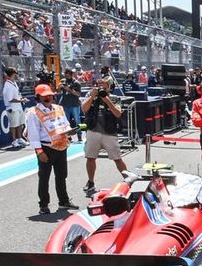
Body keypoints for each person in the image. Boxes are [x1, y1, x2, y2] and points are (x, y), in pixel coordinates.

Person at [27, 84, 76, 214]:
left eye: (50, 95)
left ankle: (63, 201)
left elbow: (65, 124)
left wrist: (69, 132)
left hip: (61, 146)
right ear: (38, 97)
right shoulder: (33, 113)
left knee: (62, 175)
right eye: (45, 96)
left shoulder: (59, 108)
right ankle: (43, 205)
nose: (48, 98)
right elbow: (33, 134)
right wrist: (39, 151)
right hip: (45, 148)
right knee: (44, 177)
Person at [80, 77, 127, 196]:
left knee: (117, 158)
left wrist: (107, 101)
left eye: (104, 85)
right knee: (90, 157)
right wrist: (92, 97)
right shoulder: (91, 95)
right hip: (93, 130)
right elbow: (84, 109)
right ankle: (90, 182)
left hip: (109, 132)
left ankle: (128, 180)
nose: (101, 86)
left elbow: (118, 113)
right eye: (99, 84)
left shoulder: (114, 98)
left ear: (109, 86)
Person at [2, 68, 27, 149]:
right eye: (15, 74)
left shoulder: (14, 83)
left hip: (18, 107)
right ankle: (14, 141)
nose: (17, 75)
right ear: (11, 75)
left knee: (20, 123)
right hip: (12, 108)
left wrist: (22, 99)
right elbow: (10, 99)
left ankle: (19, 139)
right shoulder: (7, 85)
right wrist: (21, 100)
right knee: (13, 125)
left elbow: (18, 95)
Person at [59, 69, 83, 142]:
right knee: (66, 121)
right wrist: (59, 87)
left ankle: (79, 135)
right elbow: (58, 91)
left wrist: (69, 89)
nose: (67, 77)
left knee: (77, 120)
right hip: (65, 104)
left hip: (74, 104)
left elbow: (78, 94)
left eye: (68, 76)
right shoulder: (63, 81)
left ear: (72, 75)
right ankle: (68, 136)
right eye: (66, 75)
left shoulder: (76, 83)